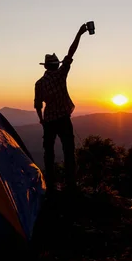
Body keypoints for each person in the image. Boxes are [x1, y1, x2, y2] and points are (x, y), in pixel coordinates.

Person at [34, 23, 89, 195]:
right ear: (55, 65)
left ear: (45, 67)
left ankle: (50, 185)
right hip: (63, 119)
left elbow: (38, 104)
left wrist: (41, 119)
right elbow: (71, 53)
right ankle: (70, 185)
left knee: (48, 153)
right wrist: (80, 33)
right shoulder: (60, 75)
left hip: (49, 120)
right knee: (68, 151)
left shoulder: (40, 83)